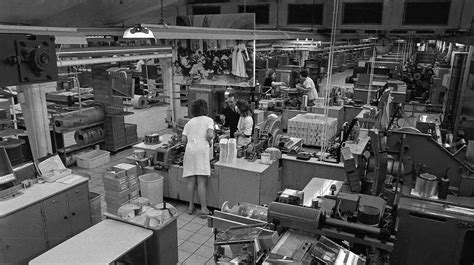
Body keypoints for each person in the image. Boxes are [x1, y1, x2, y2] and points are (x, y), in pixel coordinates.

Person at [182, 99, 214, 217]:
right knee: (201, 181)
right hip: (201, 150)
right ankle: (204, 209)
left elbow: (183, 140)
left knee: (191, 180)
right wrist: (209, 141)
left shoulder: (189, 122)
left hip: (190, 150)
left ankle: (190, 206)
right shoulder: (208, 120)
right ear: (205, 109)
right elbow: (210, 134)